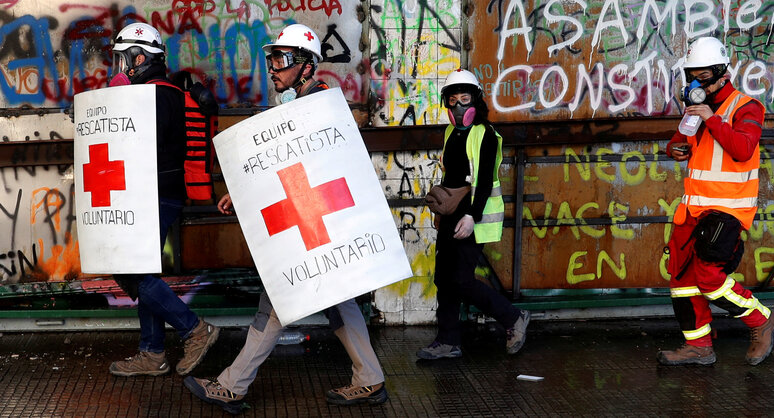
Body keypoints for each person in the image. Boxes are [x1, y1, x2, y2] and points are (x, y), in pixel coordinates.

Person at [183, 24, 388, 414]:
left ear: (306, 65)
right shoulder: (288, 108)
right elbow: (280, 171)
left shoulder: (322, 108)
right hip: (307, 224)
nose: (273, 67)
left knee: (278, 301)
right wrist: (241, 192)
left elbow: (323, 171)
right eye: (271, 59)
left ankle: (232, 385)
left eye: (281, 59)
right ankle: (370, 379)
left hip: (315, 224)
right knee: (337, 300)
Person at [658, 36, 774, 366]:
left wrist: (711, 117)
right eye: (691, 75)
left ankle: (761, 320)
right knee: (681, 280)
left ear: (721, 74)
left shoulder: (747, 107)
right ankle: (699, 347)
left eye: (702, 76)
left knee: (709, 278)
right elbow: (678, 141)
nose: (696, 82)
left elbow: (742, 149)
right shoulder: (697, 108)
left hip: (728, 208)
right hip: (693, 206)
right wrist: (675, 149)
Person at [106, 22, 219, 377]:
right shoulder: (163, 91)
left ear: (139, 58)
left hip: (153, 194)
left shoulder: (152, 96)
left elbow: (138, 147)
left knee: (132, 270)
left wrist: (113, 107)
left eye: (122, 60)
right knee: (143, 270)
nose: (119, 68)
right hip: (154, 193)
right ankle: (152, 353)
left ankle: (195, 329)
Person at [416, 69, 530, 360]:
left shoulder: (486, 135)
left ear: (476, 101)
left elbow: (483, 181)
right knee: (444, 277)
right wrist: (444, 209)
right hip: (452, 214)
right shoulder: (450, 132)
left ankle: (513, 318)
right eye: (453, 100)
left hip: (471, 217)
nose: (458, 107)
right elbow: (453, 175)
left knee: (461, 280)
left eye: (464, 99)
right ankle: (447, 341)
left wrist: (471, 217)